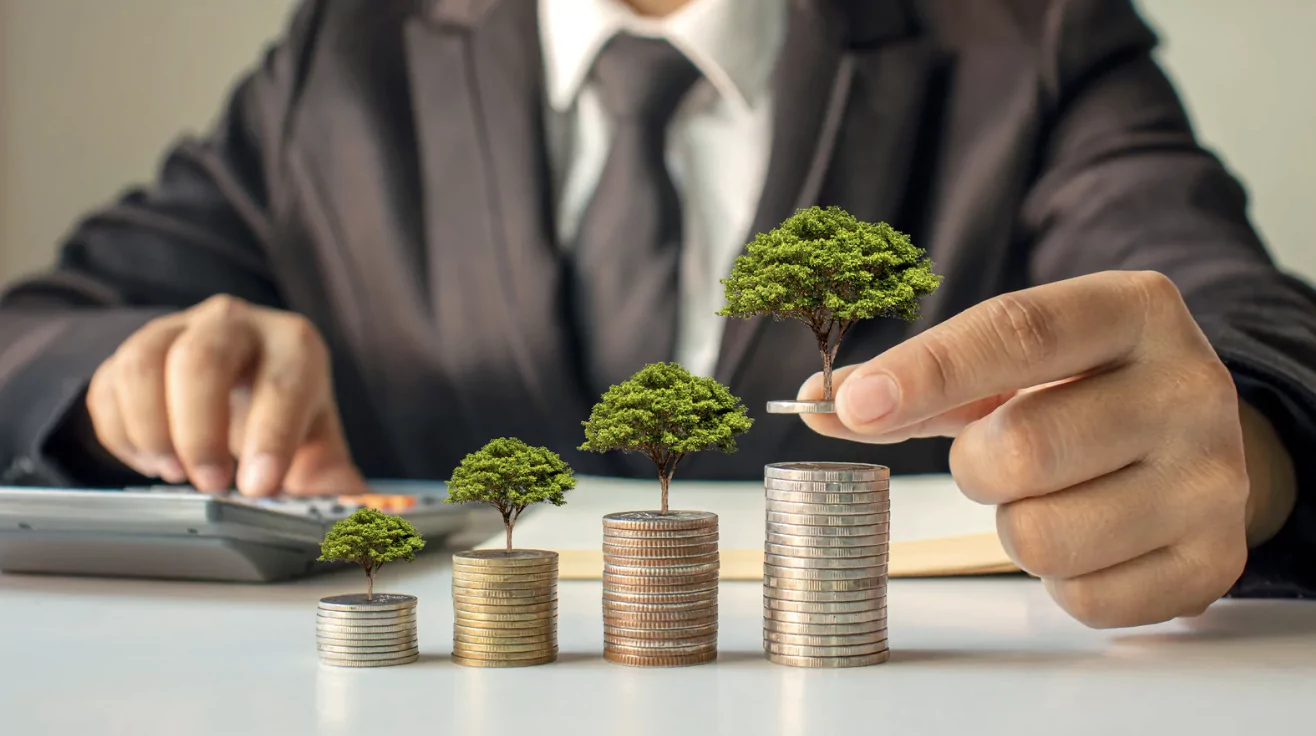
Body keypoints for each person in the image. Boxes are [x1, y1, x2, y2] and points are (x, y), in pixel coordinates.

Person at [0, 0, 1312, 628]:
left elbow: (1239, 318)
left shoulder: (1025, 40)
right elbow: (36, 330)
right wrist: (134, 370)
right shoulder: (350, 58)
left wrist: (1246, 446)